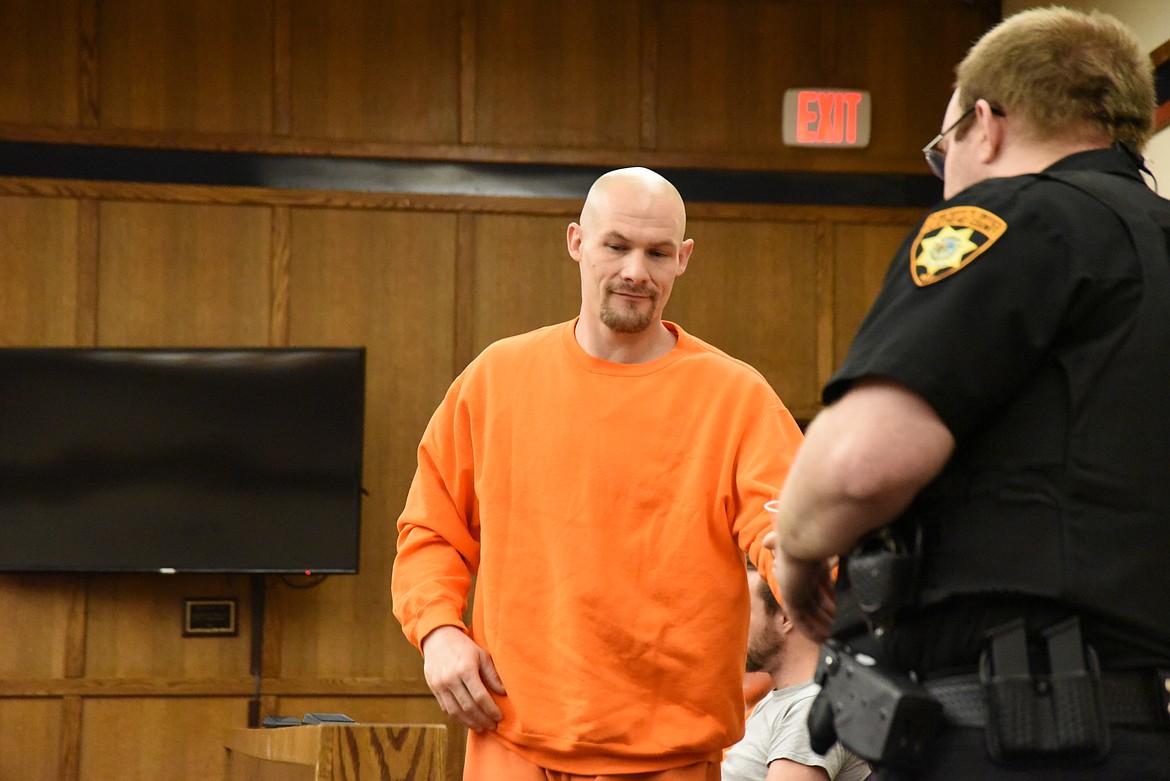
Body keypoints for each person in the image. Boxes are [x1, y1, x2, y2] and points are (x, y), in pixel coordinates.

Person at [769, 7, 1170, 780]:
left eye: (941, 147)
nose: (946, 172)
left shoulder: (1009, 216)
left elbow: (858, 465)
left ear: (984, 125)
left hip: (1005, 738)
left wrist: (795, 546)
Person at [392, 166, 805, 779]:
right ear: (576, 242)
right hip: (512, 741)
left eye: (657, 252)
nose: (636, 270)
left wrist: (811, 571)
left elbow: (794, 536)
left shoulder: (737, 399)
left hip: (670, 756)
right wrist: (439, 633)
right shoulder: (495, 381)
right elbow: (431, 531)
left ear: (682, 259)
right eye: (617, 246)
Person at [722, 564, 871, 781]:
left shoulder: (809, 708)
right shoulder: (785, 700)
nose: (731, 625)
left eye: (742, 610)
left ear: (785, 617)